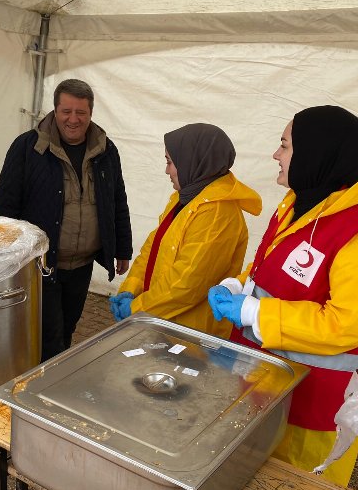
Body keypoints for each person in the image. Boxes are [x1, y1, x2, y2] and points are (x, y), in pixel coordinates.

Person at [208, 105, 358, 486]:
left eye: (285, 145)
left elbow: (345, 325)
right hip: (269, 384)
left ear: (320, 154)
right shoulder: (299, 207)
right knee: (253, 476)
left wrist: (256, 314)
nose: (276, 155)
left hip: (315, 410)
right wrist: (240, 285)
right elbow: (270, 270)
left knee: (295, 485)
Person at [0, 79, 132, 362]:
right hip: (41, 265)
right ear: (55, 111)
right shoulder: (27, 148)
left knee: (67, 329)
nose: (73, 119)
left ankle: (48, 376)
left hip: (81, 265)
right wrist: (6, 257)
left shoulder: (106, 151)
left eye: (81, 112)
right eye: (66, 111)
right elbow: (6, 207)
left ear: (91, 113)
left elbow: (117, 199)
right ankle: (37, 388)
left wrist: (122, 247)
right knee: (50, 337)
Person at [108, 123, 261, 338]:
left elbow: (186, 284)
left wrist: (137, 308)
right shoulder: (186, 200)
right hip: (162, 322)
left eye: (170, 162)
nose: (167, 170)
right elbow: (152, 248)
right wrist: (130, 288)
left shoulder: (218, 214)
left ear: (192, 162)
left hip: (190, 336)